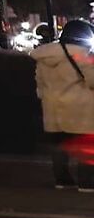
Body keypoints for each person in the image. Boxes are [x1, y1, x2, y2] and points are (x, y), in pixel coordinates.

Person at [31, 21, 94, 189]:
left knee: (58, 145)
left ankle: (62, 180)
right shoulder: (83, 55)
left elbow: (40, 83)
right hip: (80, 108)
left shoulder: (44, 57)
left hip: (53, 108)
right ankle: (87, 183)